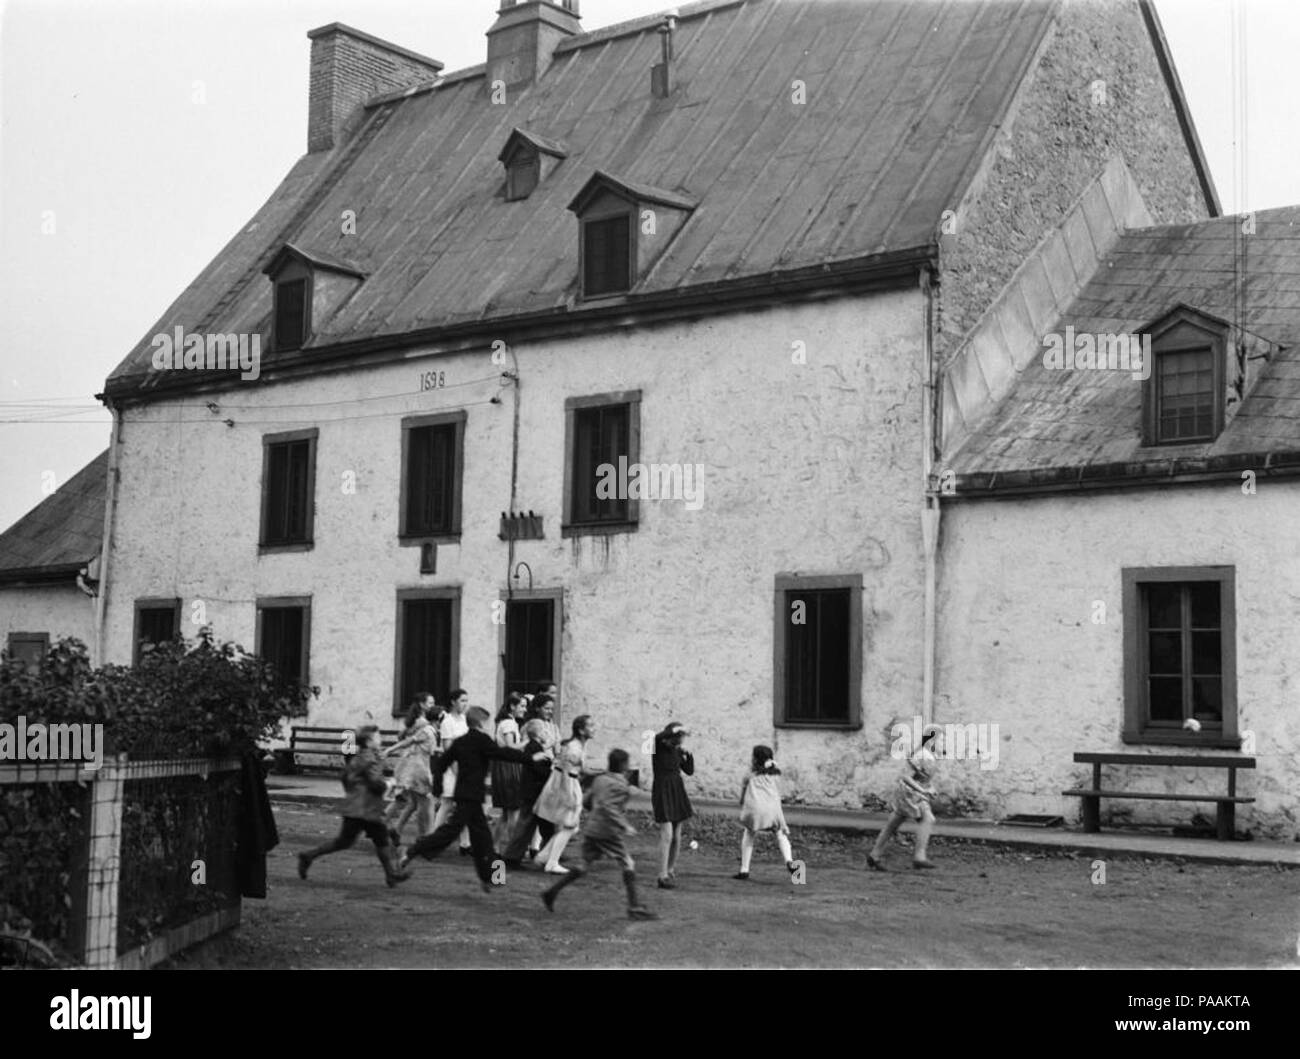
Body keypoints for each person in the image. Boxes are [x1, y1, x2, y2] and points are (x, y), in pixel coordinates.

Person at [399, 707, 537, 890]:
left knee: (482, 839)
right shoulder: (481, 740)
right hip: (470, 797)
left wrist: (439, 787)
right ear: (480, 723)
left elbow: (442, 763)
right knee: (454, 833)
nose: (489, 726)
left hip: (466, 795)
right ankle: (412, 851)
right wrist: (530, 758)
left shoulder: (461, 741)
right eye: (487, 723)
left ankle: (490, 879)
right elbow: (503, 753)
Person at [541, 749, 658, 921]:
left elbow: (588, 801)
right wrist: (623, 825)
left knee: (584, 864)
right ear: (624, 765)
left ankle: (551, 892)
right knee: (628, 863)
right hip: (608, 832)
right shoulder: (620, 786)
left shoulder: (600, 779)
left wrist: (595, 815)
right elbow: (608, 806)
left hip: (592, 828)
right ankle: (634, 906)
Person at [297, 726, 410, 887]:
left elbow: (345, 777)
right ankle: (391, 874)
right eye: (378, 737)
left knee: (361, 841)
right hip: (366, 809)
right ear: (369, 741)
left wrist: (352, 792)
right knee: (374, 840)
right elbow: (375, 784)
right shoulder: (370, 758)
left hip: (357, 807)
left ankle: (309, 856)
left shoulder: (359, 757)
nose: (381, 740)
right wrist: (390, 783)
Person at [867, 729, 940, 871]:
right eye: (940, 738)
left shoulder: (929, 755)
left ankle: (874, 855)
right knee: (927, 819)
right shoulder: (921, 755)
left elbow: (923, 777)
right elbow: (905, 776)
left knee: (893, 823)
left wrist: (930, 789)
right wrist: (923, 790)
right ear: (931, 739)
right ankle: (919, 856)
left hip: (914, 794)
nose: (942, 741)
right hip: (909, 794)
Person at [533, 715, 596, 874]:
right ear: (581, 730)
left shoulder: (578, 746)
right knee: (569, 825)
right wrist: (569, 796)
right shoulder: (574, 748)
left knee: (571, 827)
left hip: (565, 783)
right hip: (565, 785)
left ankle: (545, 856)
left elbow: (580, 769)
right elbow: (567, 772)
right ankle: (551, 862)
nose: (594, 728)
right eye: (590, 726)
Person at [733, 745, 797, 881]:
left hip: (756, 810)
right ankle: (790, 861)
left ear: (755, 760)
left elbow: (743, 797)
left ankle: (744, 869)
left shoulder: (749, 775)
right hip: (773, 811)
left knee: (749, 833)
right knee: (780, 834)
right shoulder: (775, 775)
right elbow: (778, 792)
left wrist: (742, 802)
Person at [500, 718, 558, 868]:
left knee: (544, 827)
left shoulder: (535, 747)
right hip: (534, 794)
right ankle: (511, 858)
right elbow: (538, 769)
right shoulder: (534, 748)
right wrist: (552, 769)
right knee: (526, 826)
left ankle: (550, 855)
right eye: (545, 730)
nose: (547, 733)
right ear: (538, 734)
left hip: (534, 793)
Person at [384, 697, 438, 845]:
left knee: (410, 801)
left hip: (409, 762)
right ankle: (424, 836)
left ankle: (396, 828)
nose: (432, 705)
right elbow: (410, 740)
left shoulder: (413, 721)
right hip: (414, 765)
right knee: (416, 801)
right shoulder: (424, 724)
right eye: (430, 703)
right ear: (422, 705)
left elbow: (402, 736)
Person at [651, 722, 694, 889]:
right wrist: (673, 730)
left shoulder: (677, 751)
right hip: (662, 790)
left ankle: (670, 870)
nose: (683, 739)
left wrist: (688, 756)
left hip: (677, 790)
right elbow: (657, 736)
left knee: (676, 836)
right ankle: (661, 876)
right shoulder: (657, 746)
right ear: (673, 735)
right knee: (666, 834)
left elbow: (689, 770)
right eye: (681, 735)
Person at [430, 689, 472, 855]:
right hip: (453, 767)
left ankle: (465, 843)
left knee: (464, 805)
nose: (465, 704)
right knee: (447, 804)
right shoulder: (447, 721)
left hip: (464, 764)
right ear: (453, 702)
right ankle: (432, 839)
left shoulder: (463, 719)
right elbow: (448, 748)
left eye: (466, 701)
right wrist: (457, 771)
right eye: (462, 700)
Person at [491, 693, 528, 847]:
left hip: (503, 766)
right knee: (513, 811)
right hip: (508, 767)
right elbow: (511, 747)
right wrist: (528, 741)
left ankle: (495, 846)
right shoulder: (509, 723)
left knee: (507, 813)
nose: (524, 710)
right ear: (512, 706)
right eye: (522, 706)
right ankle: (512, 848)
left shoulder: (506, 722)